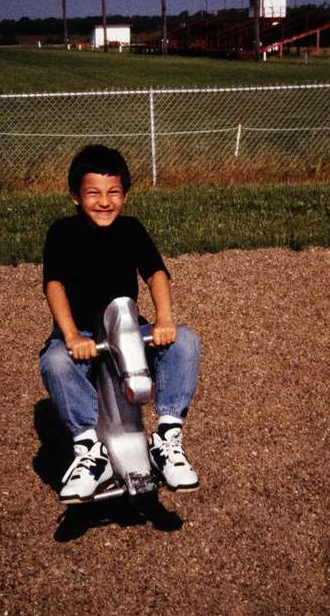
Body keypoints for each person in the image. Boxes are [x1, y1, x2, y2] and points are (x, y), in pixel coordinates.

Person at [39, 144, 201, 503]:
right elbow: (54, 285)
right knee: (55, 361)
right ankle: (89, 450)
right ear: (75, 197)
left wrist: (165, 320)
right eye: (93, 193)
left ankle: (167, 437)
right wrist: (68, 336)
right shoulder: (62, 233)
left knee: (186, 341)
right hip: (81, 331)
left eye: (113, 193)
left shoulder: (131, 230)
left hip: (127, 328)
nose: (104, 201)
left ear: (125, 195)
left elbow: (156, 273)